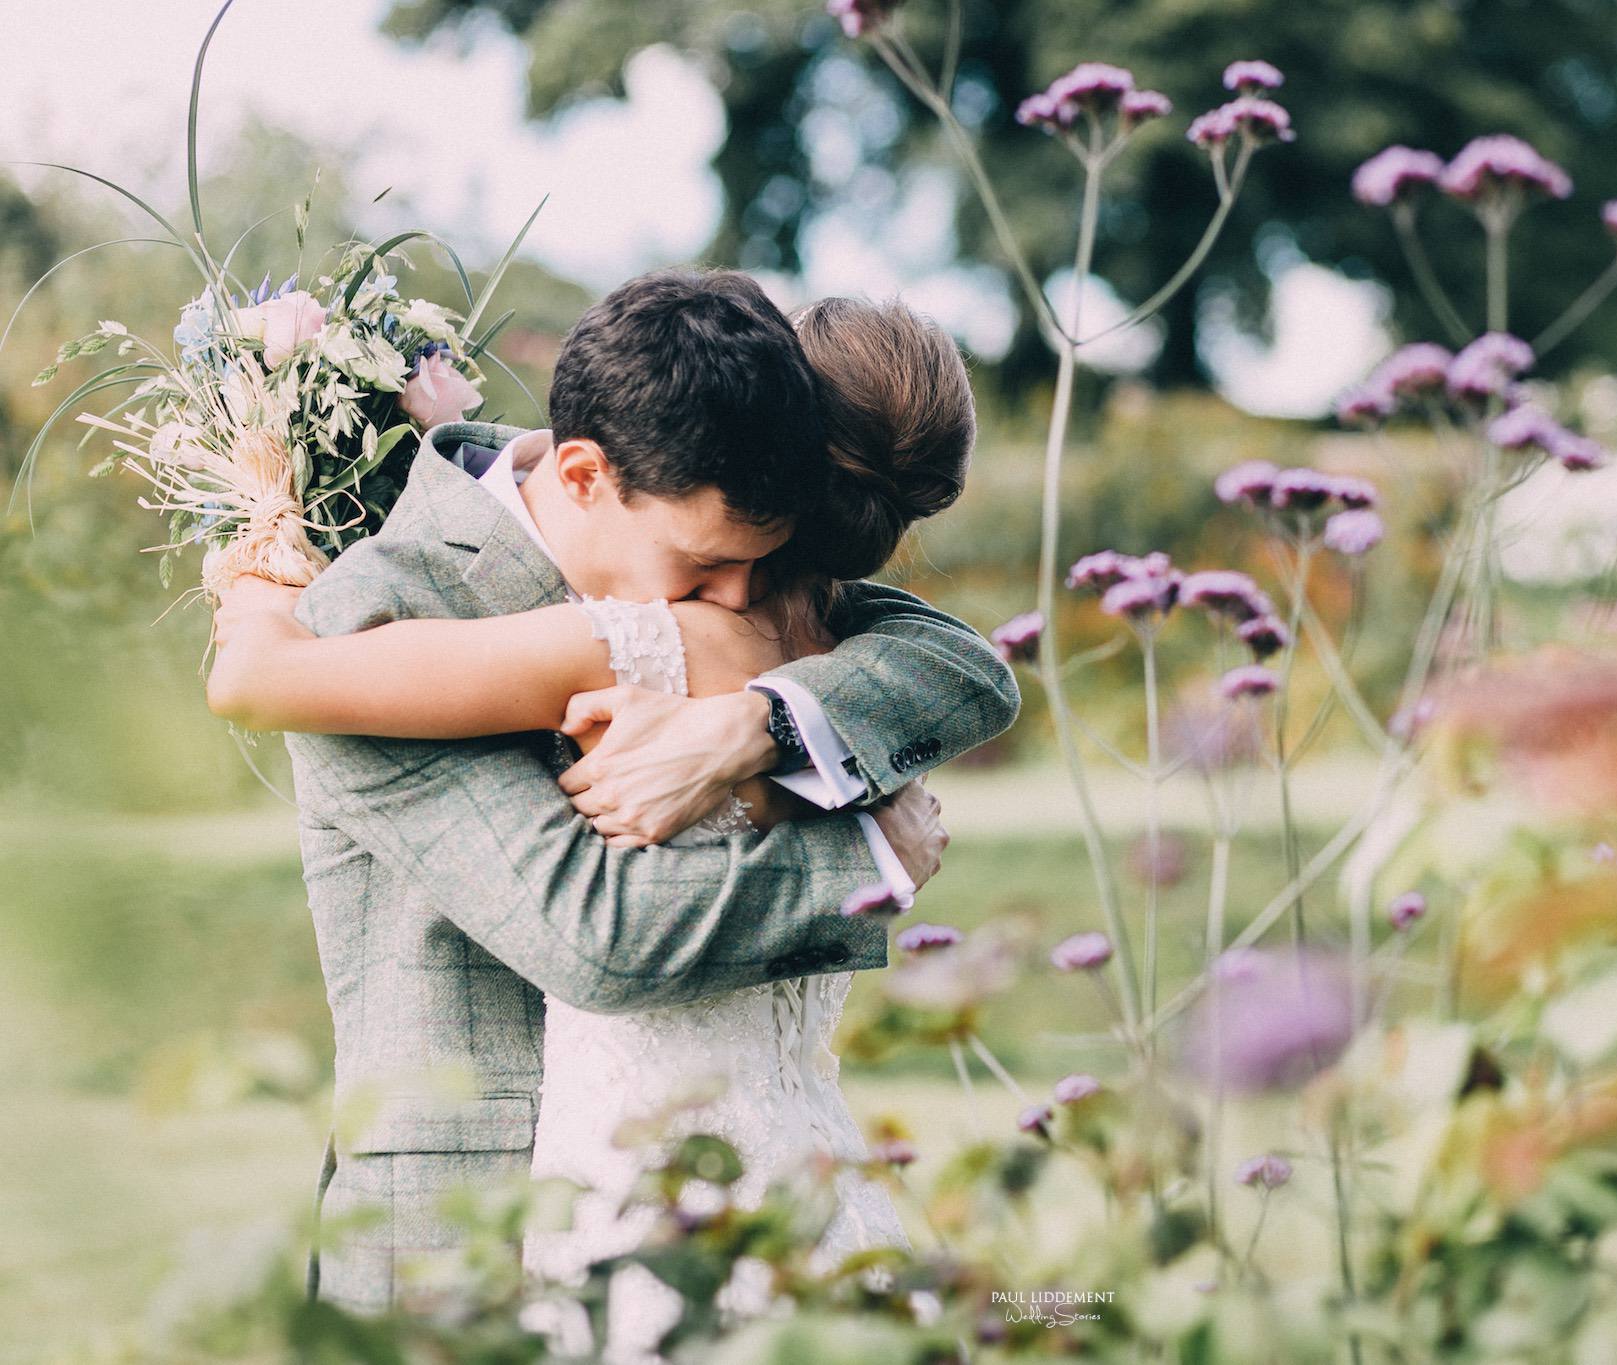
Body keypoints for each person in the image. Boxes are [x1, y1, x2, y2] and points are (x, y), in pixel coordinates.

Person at [207, 272, 1016, 1342]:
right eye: (714, 565)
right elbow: (598, 935)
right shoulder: (376, 616)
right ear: (586, 477)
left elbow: (959, 663)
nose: (735, 599)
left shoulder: (729, 549)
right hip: (466, 1241)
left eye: (762, 568)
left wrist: (752, 726)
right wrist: (871, 859)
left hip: (750, 1177)